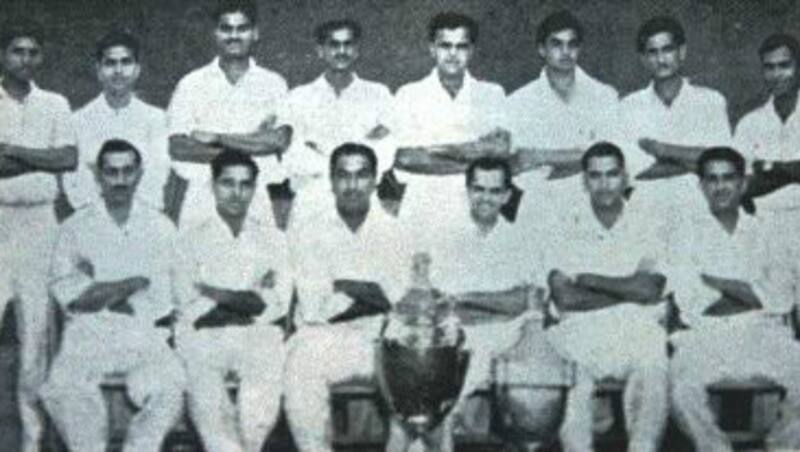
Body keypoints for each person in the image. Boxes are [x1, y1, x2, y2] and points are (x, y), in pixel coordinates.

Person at [40, 139, 185, 452]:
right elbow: (73, 297)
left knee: (171, 387)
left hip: (145, 333)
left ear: (140, 173)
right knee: (63, 388)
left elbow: (170, 296)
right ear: (98, 176)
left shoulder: (161, 227)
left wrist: (100, 288)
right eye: (111, 172)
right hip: (89, 333)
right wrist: (128, 285)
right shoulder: (75, 227)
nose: (120, 180)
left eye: (128, 171)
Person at [667, 147, 800, 452]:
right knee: (680, 390)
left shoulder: (768, 232)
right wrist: (754, 293)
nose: (720, 186)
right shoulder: (685, 236)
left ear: (743, 183)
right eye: (711, 179)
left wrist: (717, 283)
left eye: (729, 178)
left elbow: (782, 298)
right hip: (705, 338)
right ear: (701, 186)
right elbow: (691, 301)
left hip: (763, 334)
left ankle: (781, 446)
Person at [284, 143, 413, 452]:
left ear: (374, 181)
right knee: (301, 367)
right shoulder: (309, 231)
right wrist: (376, 295)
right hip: (325, 338)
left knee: (413, 372)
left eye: (361, 176)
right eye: (343, 176)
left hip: (380, 340)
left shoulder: (397, 232)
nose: (352, 186)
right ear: (331, 181)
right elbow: (316, 308)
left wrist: (343, 285)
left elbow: (401, 301)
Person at [544, 143, 670, 452]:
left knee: (654, 365)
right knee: (571, 377)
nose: (604, 184)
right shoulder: (563, 225)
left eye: (612, 174)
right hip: (577, 331)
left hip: (636, 330)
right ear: (584, 181)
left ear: (625, 177)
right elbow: (565, 298)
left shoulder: (648, 223)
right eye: (595, 176)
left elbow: (651, 290)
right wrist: (629, 290)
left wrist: (592, 280)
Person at [173, 148, 293, 452]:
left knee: (263, 383)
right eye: (228, 183)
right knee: (206, 392)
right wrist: (246, 301)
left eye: (245, 184)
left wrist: (214, 293)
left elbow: (275, 303)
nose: (236, 193)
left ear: (254, 188)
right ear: (213, 186)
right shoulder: (188, 240)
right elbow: (188, 305)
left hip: (258, 334)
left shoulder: (274, 240)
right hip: (203, 337)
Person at [0, 18, 78, 452]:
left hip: (39, 225)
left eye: (32, 52)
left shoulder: (56, 104)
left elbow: (67, 158)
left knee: (35, 343)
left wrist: (11, 150)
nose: (25, 60)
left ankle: (32, 442)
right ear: (2, 55)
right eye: (17, 51)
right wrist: (39, 159)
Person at [167, 0, 292, 228]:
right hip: (202, 196)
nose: (234, 36)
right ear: (215, 33)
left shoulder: (274, 84)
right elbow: (178, 146)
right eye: (226, 28)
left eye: (242, 28)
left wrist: (216, 138)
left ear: (255, 33)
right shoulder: (191, 84)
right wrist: (252, 142)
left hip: (257, 195)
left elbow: (278, 140)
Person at [391, 12, 509, 226]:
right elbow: (405, 158)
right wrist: (476, 152)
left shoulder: (492, 94)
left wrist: (432, 152)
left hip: (478, 208)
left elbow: (501, 153)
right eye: (445, 46)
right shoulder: (408, 95)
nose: (453, 54)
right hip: (423, 209)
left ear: (471, 50)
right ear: (432, 49)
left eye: (461, 46)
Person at [504, 10, 620, 218]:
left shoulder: (605, 96)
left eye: (572, 44)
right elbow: (519, 166)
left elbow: (611, 159)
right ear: (542, 49)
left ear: (579, 48)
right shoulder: (517, 103)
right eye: (556, 44)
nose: (565, 51)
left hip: (593, 208)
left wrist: (541, 157)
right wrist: (582, 158)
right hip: (538, 209)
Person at [282, 19, 394, 224]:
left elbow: (386, 152)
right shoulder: (298, 97)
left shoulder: (379, 94)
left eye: (348, 44)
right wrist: (363, 144)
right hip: (311, 202)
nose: (341, 51)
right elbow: (293, 156)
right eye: (333, 44)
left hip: (364, 202)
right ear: (320, 50)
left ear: (357, 50)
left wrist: (319, 149)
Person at [618, 16, 731, 218]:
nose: (661, 59)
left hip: (700, 212)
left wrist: (661, 150)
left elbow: (722, 161)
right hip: (647, 214)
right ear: (643, 59)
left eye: (667, 49)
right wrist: (696, 161)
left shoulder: (711, 101)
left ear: (682, 52)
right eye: (653, 52)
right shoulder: (628, 107)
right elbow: (633, 171)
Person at [66, 29, 171, 213]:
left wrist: (135, 216)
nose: (118, 71)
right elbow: (77, 181)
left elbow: (157, 176)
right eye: (110, 63)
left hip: (143, 222)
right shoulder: (78, 121)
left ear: (137, 69)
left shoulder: (156, 119)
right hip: (92, 222)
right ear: (99, 70)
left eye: (126, 62)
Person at [733, 33, 800, 213]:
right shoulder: (749, 124)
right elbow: (740, 186)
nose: (777, 75)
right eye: (769, 67)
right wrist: (792, 172)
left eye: (784, 66)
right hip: (762, 226)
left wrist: (768, 167)